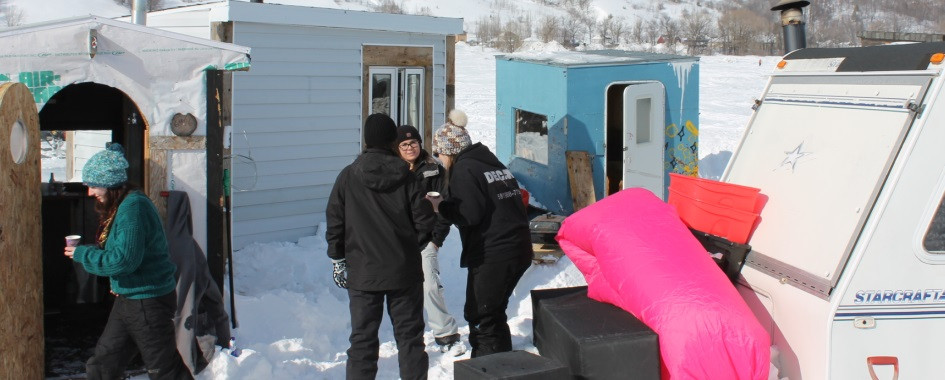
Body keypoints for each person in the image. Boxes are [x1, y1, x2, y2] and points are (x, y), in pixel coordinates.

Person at [64, 143, 191, 380]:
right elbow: (124, 249)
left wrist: (83, 255)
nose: (90, 192)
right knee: (103, 366)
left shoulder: (134, 208)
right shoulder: (124, 205)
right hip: (130, 298)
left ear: (111, 185)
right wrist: (93, 250)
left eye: (93, 186)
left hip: (147, 301)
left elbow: (122, 262)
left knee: (164, 371)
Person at [326, 113, 429, 380]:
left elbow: (335, 220)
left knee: (362, 341)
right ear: (392, 140)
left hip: (363, 272)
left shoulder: (348, 176)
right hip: (403, 271)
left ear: (367, 139)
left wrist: (338, 258)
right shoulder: (408, 178)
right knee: (410, 340)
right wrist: (407, 248)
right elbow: (425, 222)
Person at [425, 111, 533, 358]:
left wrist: (441, 205)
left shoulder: (464, 170)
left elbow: (469, 214)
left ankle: (487, 367)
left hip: (494, 253)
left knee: (481, 317)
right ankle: (504, 365)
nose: (439, 159)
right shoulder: (490, 163)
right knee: (494, 313)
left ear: (450, 150)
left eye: (439, 152)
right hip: (518, 248)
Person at [394, 124, 466, 356]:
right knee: (399, 292)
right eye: (404, 145)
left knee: (430, 287)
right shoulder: (392, 170)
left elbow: (444, 208)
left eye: (413, 143)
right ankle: (405, 337)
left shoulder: (434, 170)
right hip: (397, 241)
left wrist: (436, 240)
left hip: (425, 241)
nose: (409, 148)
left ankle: (446, 335)